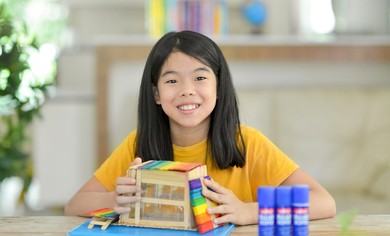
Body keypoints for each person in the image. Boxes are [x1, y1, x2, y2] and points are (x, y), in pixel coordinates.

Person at [65, 31, 336, 225]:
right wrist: (115, 199)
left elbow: (324, 202)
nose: (187, 91)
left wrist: (249, 211)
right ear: (156, 94)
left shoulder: (247, 143)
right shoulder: (138, 144)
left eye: (200, 77)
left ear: (218, 87)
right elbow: (73, 205)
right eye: (171, 81)